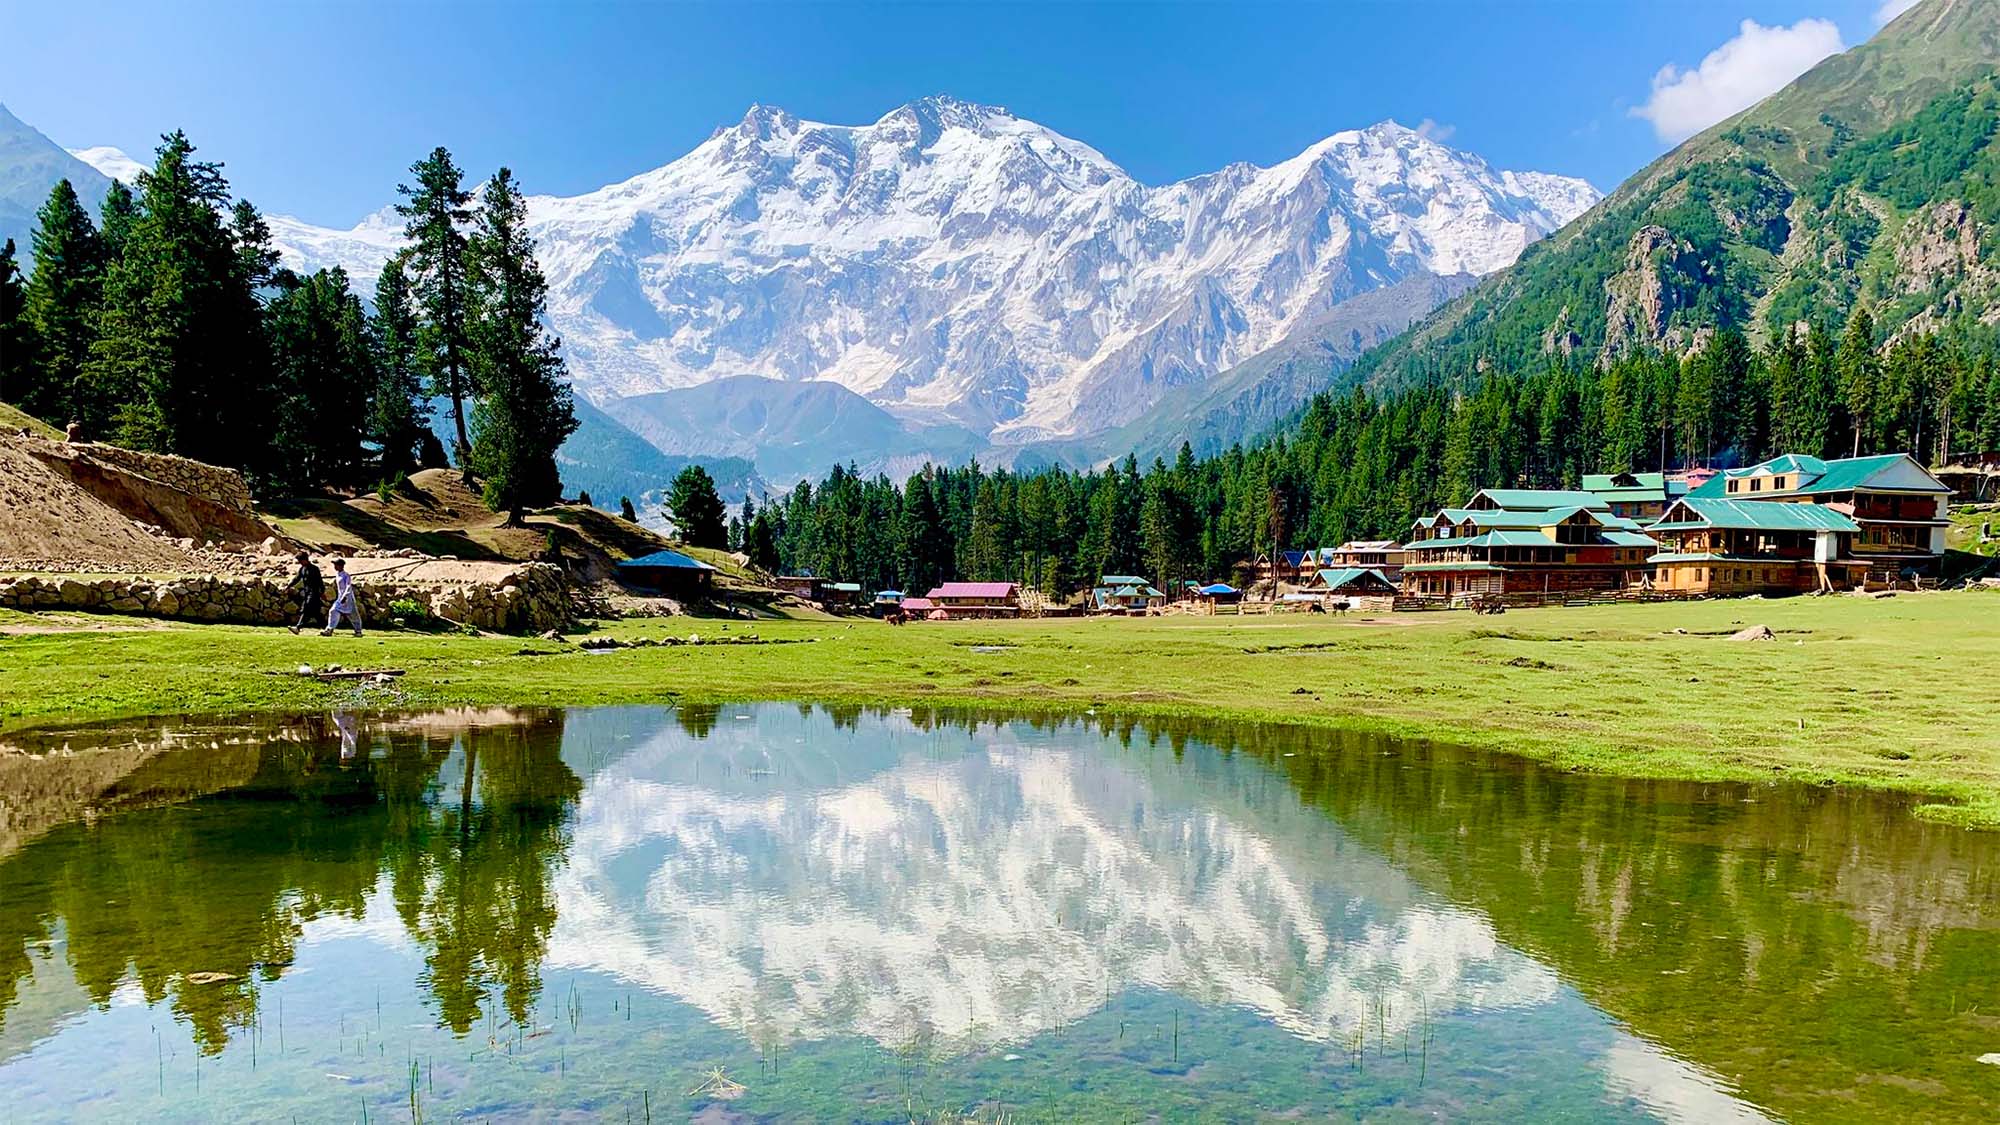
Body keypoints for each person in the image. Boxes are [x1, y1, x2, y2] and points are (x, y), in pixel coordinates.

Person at [321, 557, 363, 637]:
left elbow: (348, 586)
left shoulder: (346, 575)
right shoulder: (338, 575)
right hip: (340, 598)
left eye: (336, 565)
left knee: (353, 615)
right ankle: (329, 629)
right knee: (333, 611)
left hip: (348, 598)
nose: (335, 567)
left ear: (341, 566)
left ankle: (358, 631)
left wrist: (345, 596)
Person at [287, 551, 324, 634]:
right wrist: (288, 586)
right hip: (307, 593)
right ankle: (326, 628)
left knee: (306, 609)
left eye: (300, 561)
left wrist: (322, 592)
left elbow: (319, 581)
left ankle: (298, 627)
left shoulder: (314, 569)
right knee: (316, 612)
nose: (300, 563)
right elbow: (296, 578)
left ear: (305, 559)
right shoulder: (302, 569)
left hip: (314, 593)